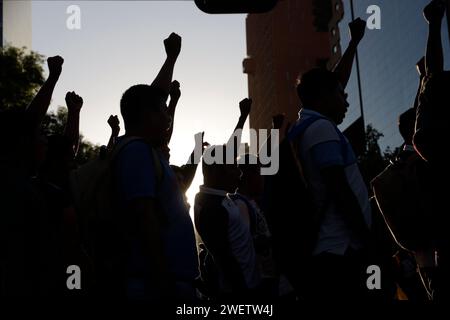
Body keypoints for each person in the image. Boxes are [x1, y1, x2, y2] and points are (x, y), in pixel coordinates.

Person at [108, 33, 199, 300]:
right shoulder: (135, 152)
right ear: (147, 116)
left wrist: (171, 58)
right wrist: (164, 282)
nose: (168, 118)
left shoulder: (148, 152)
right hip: (155, 288)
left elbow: (152, 96)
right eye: (163, 112)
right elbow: (144, 219)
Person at [290, 18, 373, 301]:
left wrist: (352, 43)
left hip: (334, 250)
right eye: (341, 95)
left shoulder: (307, 126)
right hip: (341, 252)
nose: (346, 102)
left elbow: (333, 84)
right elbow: (339, 189)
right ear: (324, 96)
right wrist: (366, 240)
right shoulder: (321, 129)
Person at [194, 98, 263, 301]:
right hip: (238, 296)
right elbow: (225, 261)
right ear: (215, 171)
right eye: (232, 168)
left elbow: (229, 151)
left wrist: (242, 117)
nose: (238, 174)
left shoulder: (219, 198)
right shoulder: (211, 207)